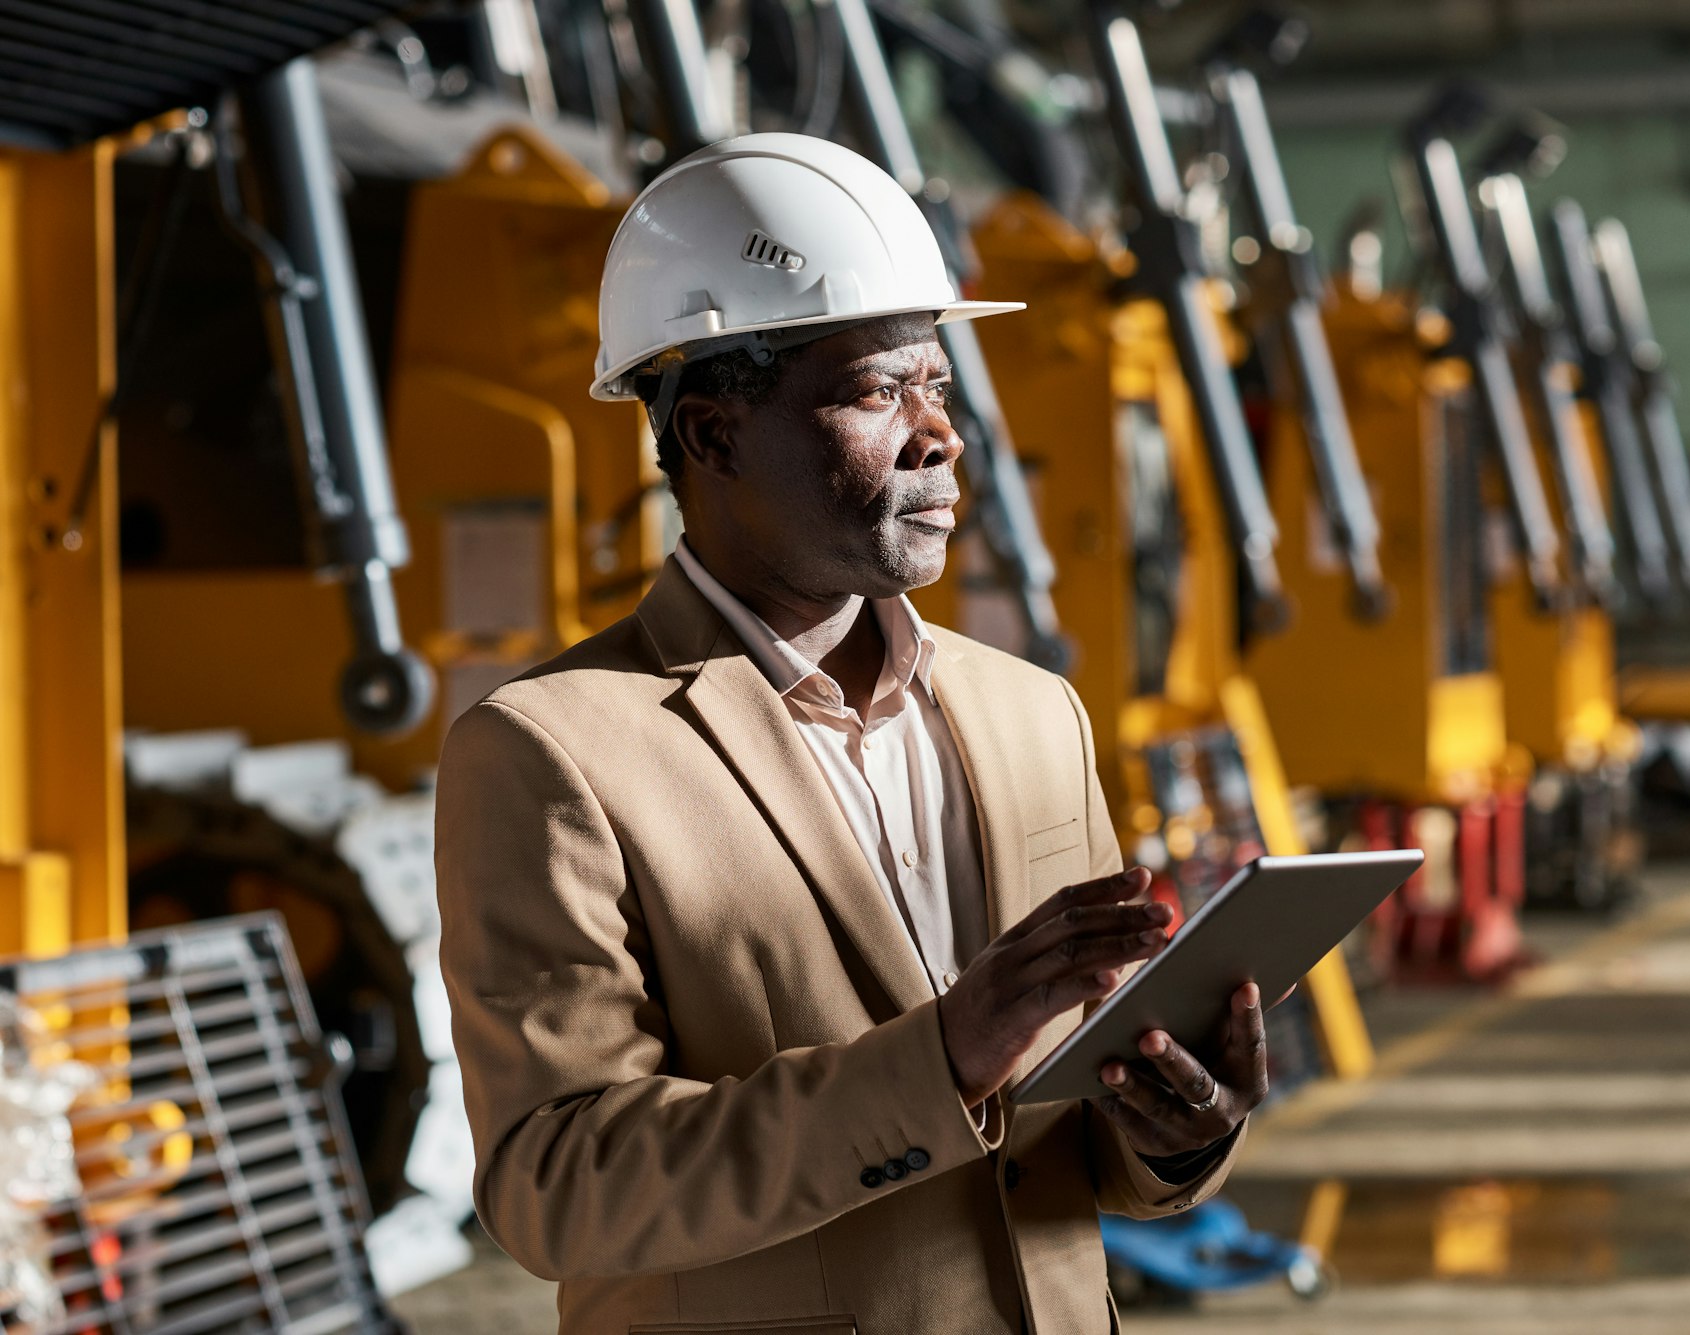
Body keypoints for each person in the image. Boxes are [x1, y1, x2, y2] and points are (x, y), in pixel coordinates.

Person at [435, 133, 1269, 1334]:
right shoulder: (553, 752)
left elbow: (1065, 1143)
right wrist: (940, 1059)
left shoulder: (1029, 713)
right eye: (879, 391)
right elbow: (559, 1187)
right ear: (715, 436)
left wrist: (1177, 1132)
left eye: (937, 385)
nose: (940, 439)